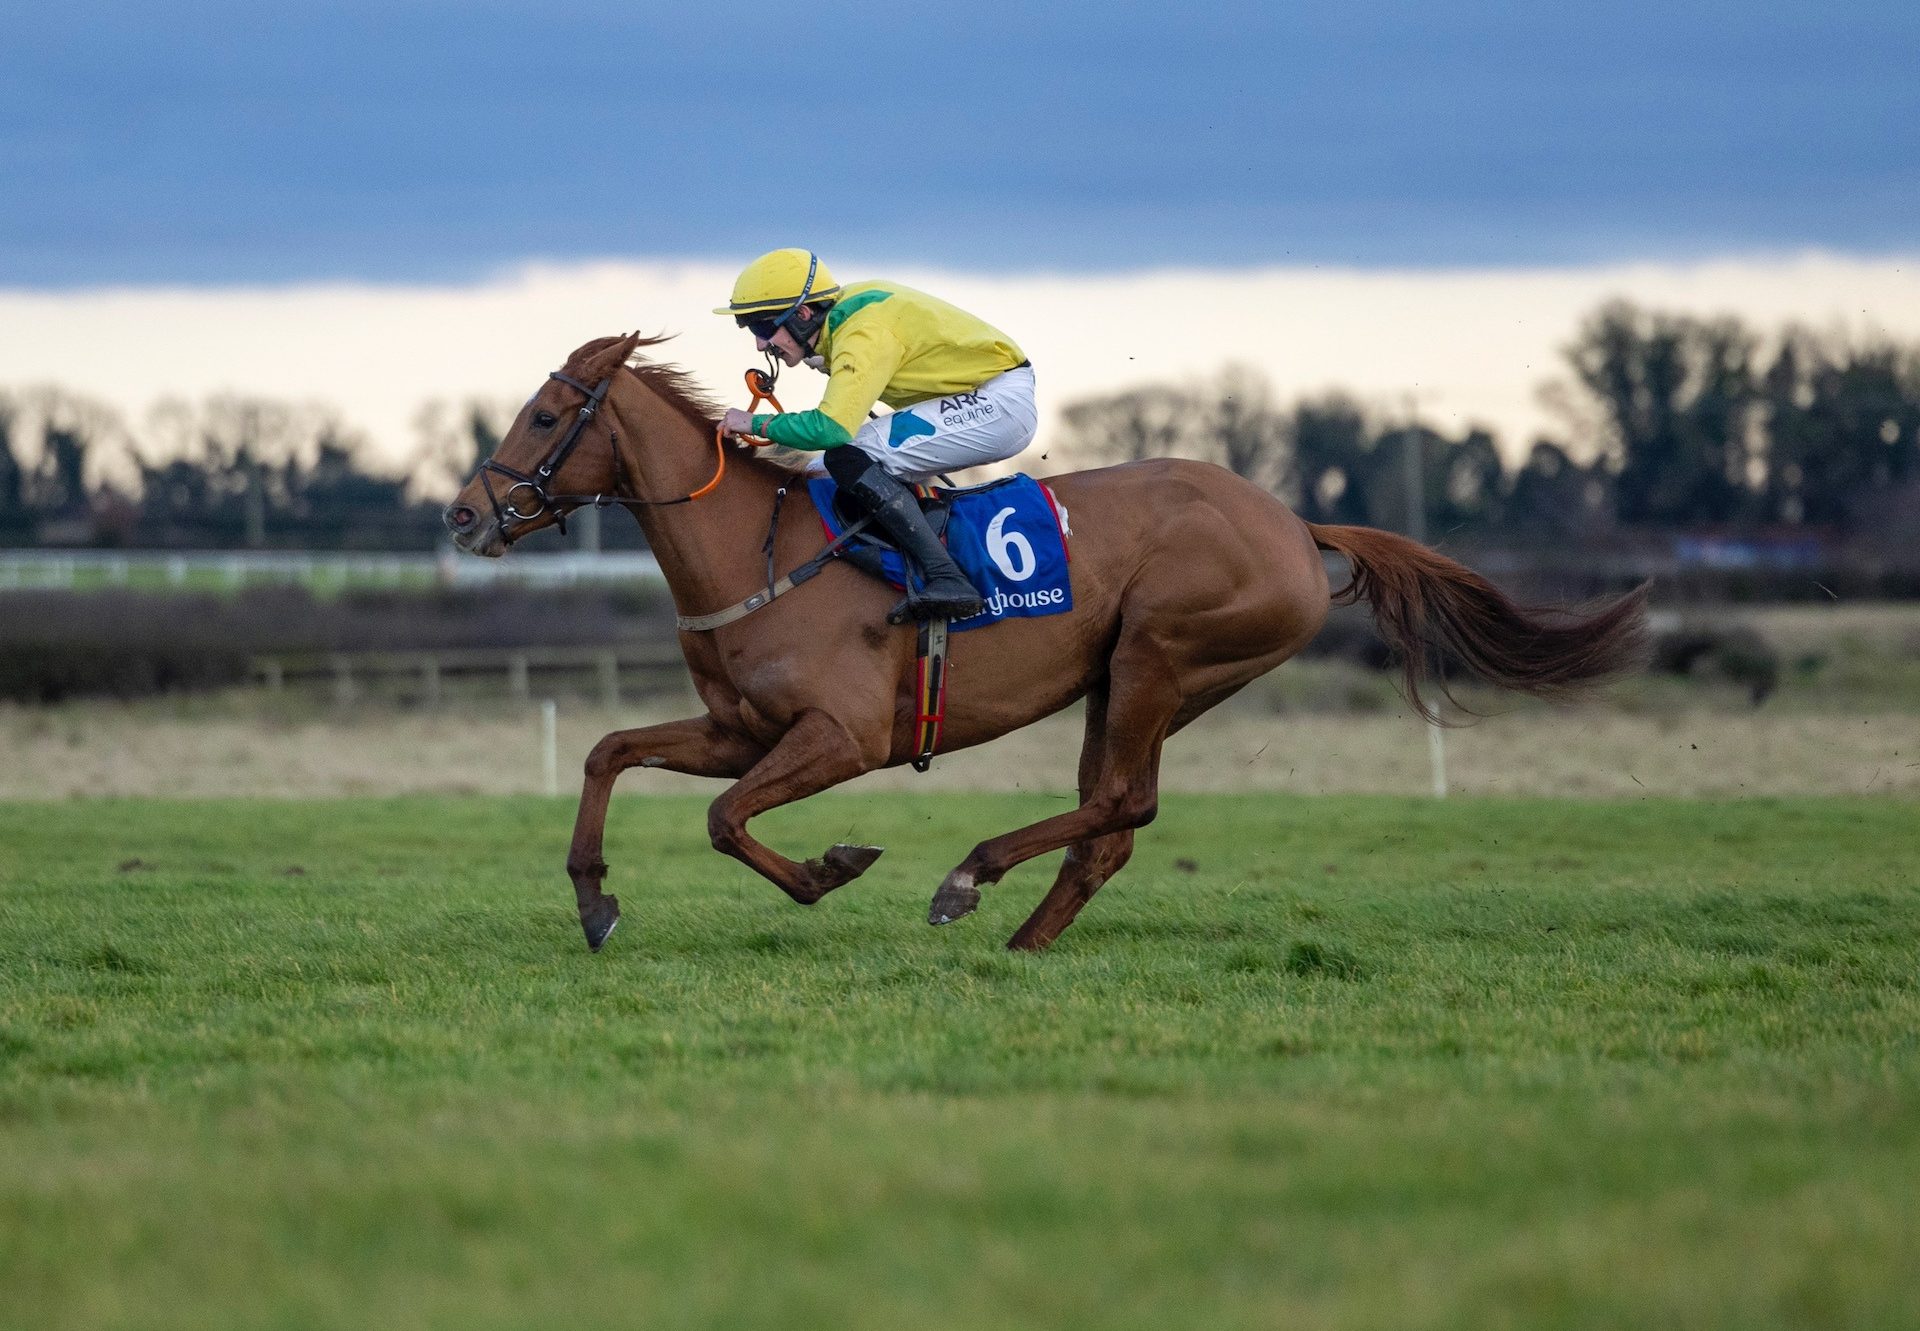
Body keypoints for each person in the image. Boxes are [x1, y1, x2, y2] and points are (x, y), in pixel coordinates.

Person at [716, 248, 1036, 622]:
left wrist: (755, 424)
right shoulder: (844, 318)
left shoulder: (862, 331)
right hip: (980, 394)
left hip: (998, 403)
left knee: (844, 458)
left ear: (802, 316)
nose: (760, 344)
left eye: (763, 328)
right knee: (821, 471)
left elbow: (830, 428)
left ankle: (947, 578)